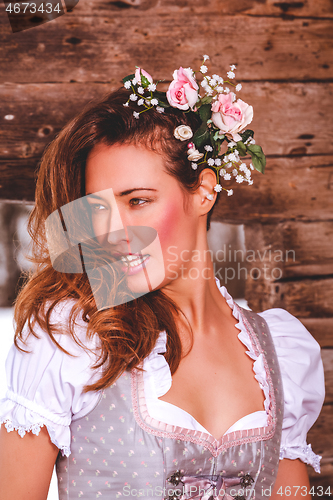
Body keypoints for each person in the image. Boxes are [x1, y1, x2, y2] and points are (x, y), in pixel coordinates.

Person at [0, 60, 325, 500]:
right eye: (97, 210)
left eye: (138, 201)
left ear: (204, 192)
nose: (113, 234)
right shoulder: (71, 335)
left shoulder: (282, 352)